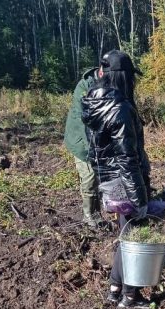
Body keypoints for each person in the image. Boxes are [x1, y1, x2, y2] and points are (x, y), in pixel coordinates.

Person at [82, 50, 152, 309]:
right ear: (123, 77)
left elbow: (94, 152)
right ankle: (130, 296)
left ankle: (114, 288)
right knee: (133, 238)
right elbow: (127, 159)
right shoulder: (120, 109)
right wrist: (139, 199)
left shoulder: (95, 104)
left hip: (109, 182)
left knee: (125, 235)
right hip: (125, 182)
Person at [63, 67, 104, 228]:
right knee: (89, 175)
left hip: (96, 138)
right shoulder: (85, 87)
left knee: (101, 175)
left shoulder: (110, 84)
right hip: (81, 140)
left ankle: (98, 210)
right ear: (101, 73)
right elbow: (85, 122)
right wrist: (92, 151)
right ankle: (89, 215)